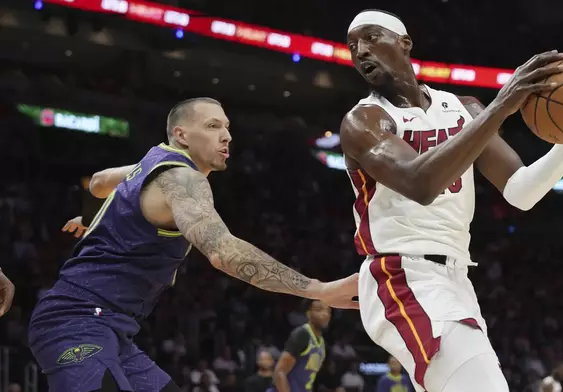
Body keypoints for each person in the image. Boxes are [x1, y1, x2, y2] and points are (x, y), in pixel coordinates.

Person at [340, 9, 563, 392]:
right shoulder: (364, 121)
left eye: (372, 37)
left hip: (456, 278)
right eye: (353, 45)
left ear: (404, 44)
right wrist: (501, 106)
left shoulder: (463, 109)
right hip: (402, 278)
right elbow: (419, 183)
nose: (361, 51)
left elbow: (521, 192)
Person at [28, 97, 358, 392]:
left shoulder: (152, 163)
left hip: (114, 330)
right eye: (213, 126)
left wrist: (97, 219)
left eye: (227, 127)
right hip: (76, 321)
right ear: (182, 135)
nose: (227, 135)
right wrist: (320, 290)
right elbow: (223, 253)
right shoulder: (183, 178)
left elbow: (99, 182)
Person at [270, 300, 330, 392]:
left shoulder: (321, 342)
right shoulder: (302, 335)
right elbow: (279, 372)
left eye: (328, 311)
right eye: (319, 310)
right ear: (308, 313)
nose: (325, 314)